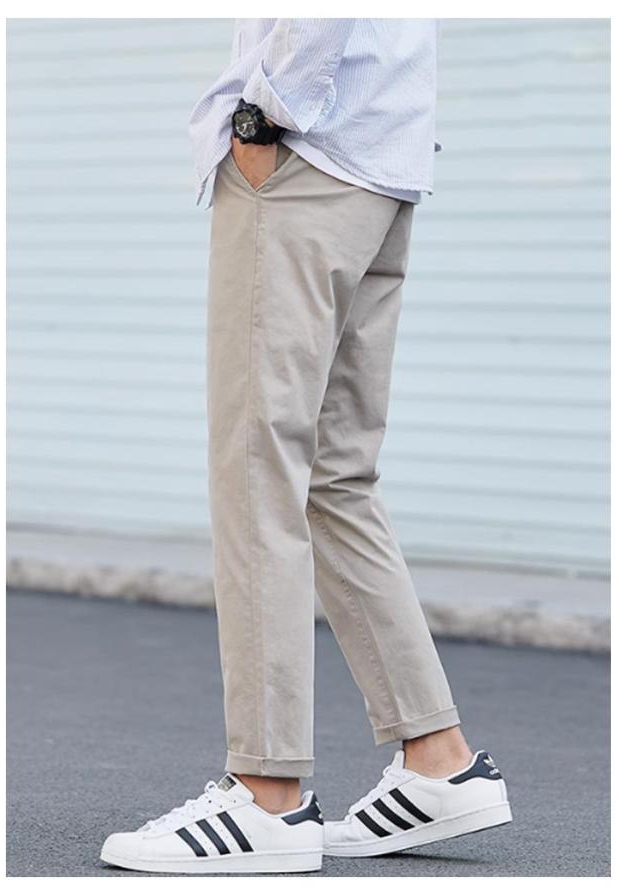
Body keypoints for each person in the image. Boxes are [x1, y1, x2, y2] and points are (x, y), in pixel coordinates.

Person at [100, 18, 512, 875]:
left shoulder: (284, 135)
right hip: (382, 167)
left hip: (304, 161)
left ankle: (266, 794)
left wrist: (263, 119)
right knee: (335, 475)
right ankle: (439, 759)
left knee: (259, 470)